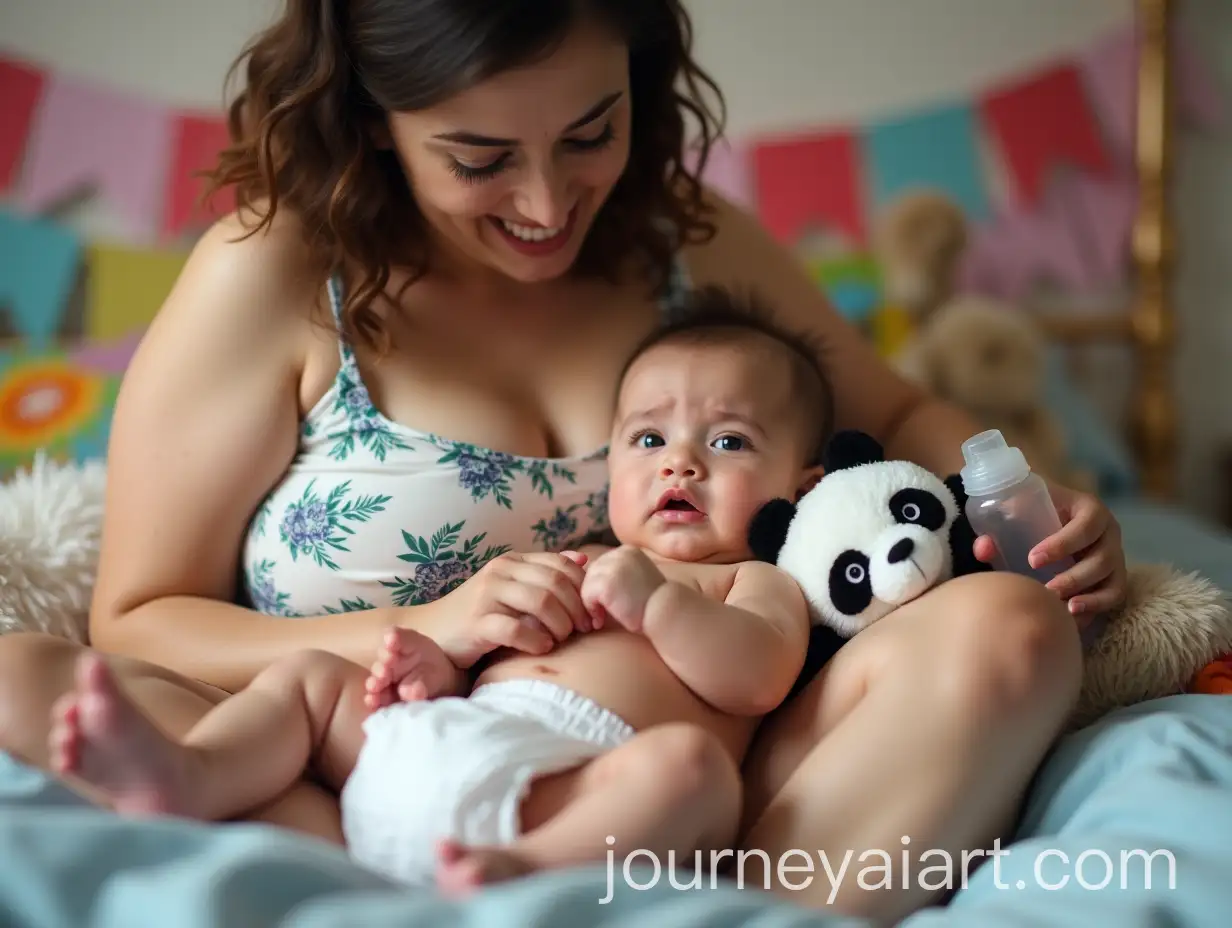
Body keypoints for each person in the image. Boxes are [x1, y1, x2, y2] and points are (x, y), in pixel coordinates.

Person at [0, 0, 1113, 920]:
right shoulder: (274, 274)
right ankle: (382, 884)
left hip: (696, 796)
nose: (546, 203)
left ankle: (728, 907)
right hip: (347, 774)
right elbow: (136, 617)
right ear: (374, 116)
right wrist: (427, 628)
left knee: (1012, 627)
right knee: (15, 675)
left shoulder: (686, 242)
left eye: (590, 133)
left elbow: (898, 412)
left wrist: (1031, 497)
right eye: (480, 159)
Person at [47, 291, 826, 893]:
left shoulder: (754, 580)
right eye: (649, 439)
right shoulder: (579, 556)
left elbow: (756, 677)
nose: (679, 463)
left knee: (693, 772)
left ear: (803, 487)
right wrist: (434, 670)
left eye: (729, 441)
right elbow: (496, 662)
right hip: (437, 747)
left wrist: (659, 605)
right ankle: (195, 773)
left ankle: (524, 872)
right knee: (309, 681)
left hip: (575, 791)